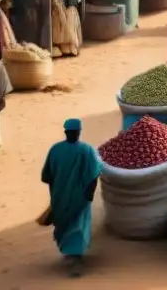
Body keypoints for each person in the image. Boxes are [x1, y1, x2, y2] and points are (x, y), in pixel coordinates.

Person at [41, 118, 102, 277]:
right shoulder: (86, 150)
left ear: (66, 132)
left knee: (66, 224)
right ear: (78, 132)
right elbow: (95, 173)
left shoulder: (55, 150)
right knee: (78, 225)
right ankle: (75, 257)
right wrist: (90, 193)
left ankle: (73, 256)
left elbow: (46, 176)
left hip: (60, 196)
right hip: (80, 196)